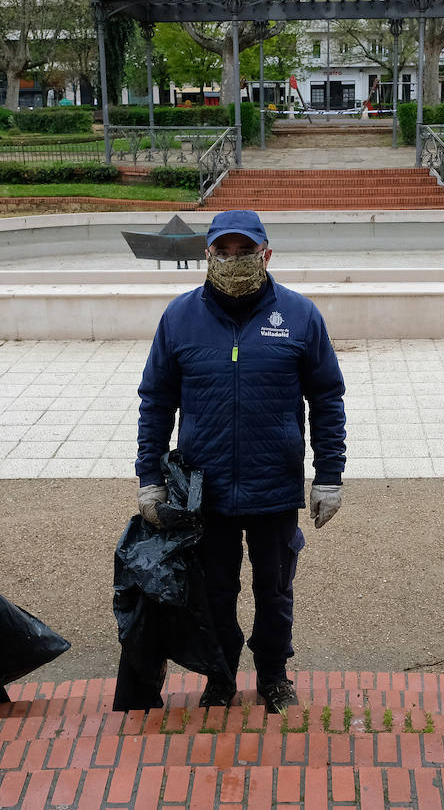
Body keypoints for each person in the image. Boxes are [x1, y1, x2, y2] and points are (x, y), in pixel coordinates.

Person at [135, 209, 347, 713]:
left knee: (274, 590)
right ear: (207, 253)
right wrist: (150, 478)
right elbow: (156, 400)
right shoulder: (179, 317)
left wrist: (329, 475)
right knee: (215, 591)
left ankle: (274, 675)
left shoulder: (299, 315)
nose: (233, 261)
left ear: (266, 254)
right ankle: (222, 674)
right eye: (223, 251)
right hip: (203, 489)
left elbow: (327, 397)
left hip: (272, 484)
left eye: (244, 251)